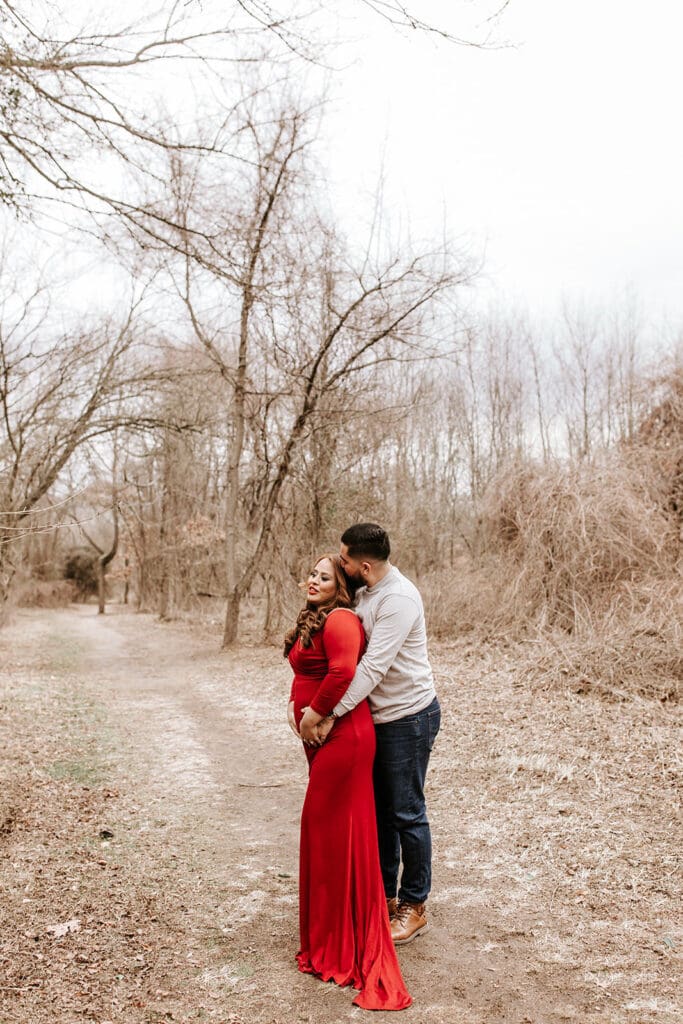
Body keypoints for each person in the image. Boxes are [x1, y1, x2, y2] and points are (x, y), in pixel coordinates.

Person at [299, 524, 440, 946]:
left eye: (342, 560)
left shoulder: (398, 599)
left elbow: (373, 669)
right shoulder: (363, 593)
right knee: (379, 814)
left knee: (406, 812)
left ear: (363, 565)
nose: (339, 566)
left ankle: (414, 906)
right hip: (374, 719)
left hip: (407, 717)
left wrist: (327, 713)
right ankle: (383, 898)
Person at [285, 554, 411, 1012]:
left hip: (344, 735)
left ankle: (344, 938)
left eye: (325, 575)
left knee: (326, 828)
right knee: (329, 834)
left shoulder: (341, 619)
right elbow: (308, 672)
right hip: (320, 735)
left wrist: (315, 714)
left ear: (342, 585)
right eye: (312, 574)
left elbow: (342, 672)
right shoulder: (316, 618)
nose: (314, 580)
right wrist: (292, 708)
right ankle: (329, 932)